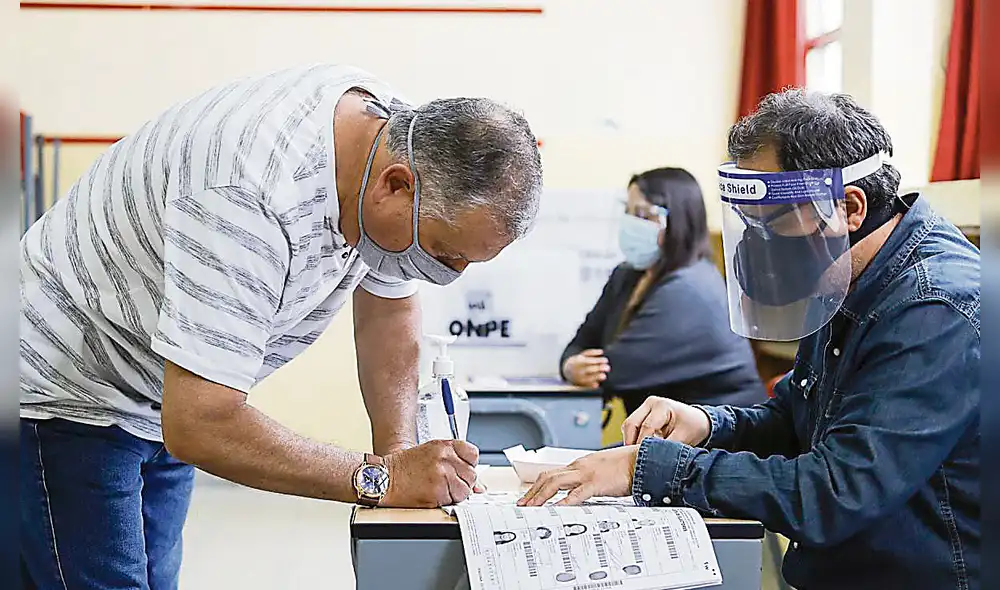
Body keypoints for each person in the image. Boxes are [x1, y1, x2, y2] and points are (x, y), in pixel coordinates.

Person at [19, 64, 543, 589]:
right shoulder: (248, 193)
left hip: (158, 386)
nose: (444, 275)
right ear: (397, 185)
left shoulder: (397, 140)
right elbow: (201, 422)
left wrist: (398, 452)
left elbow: (389, 305)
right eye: (442, 253)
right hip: (65, 383)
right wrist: (380, 479)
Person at [520, 89, 980, 590]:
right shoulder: (845, 273)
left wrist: (648, 467)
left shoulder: (936, 307)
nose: (758, 245)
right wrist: (706, 423)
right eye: (749, 225)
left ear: (848, 207)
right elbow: (791, 419)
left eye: (771, 222)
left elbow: (837, 491)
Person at [559, 168, 764, 414]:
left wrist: (575, 367)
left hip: (723, 437)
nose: (631, 223)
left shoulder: (691, 288)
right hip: (667, 434)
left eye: (643, 214)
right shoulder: (627, 276)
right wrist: (569, 366)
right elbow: (581, 341)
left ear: (677, 222)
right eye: (628, 211)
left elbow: (614, 372)